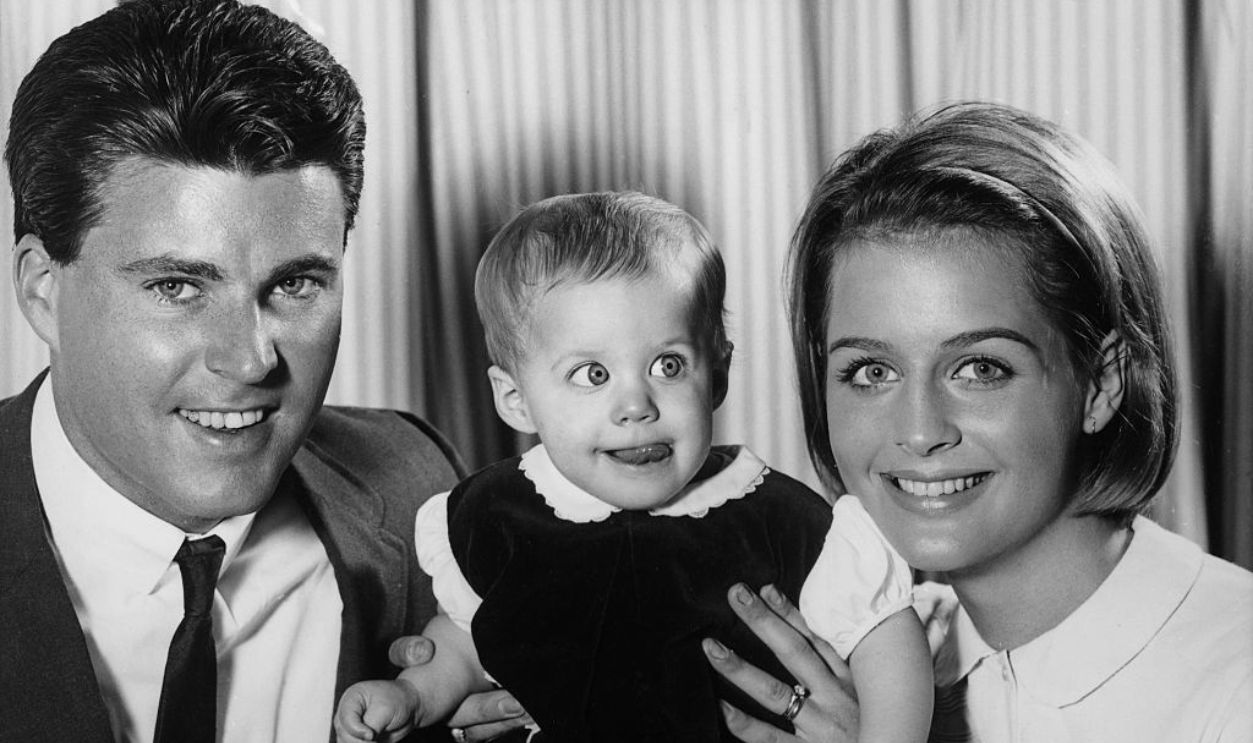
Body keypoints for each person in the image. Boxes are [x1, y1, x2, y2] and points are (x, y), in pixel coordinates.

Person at [0, 1, 527, 740]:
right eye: (176, 287)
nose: (250, 360)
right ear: (41, 291)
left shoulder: (416, 484)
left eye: (295, 285)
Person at [701, 101, 1253, 742]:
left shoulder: (1236, 679)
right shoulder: (867, 664)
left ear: (1102, 383)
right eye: (872, 372)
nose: (918, 431)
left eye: (980, 368)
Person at [333, 191, 934, 743]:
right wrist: (411, 693)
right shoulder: (496, 514)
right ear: (515, 398)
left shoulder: (779, 517)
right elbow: (467, 641)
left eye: (668, 366)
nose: (636, 406)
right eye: (593, 375)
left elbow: (884, 638)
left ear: (718, 373)